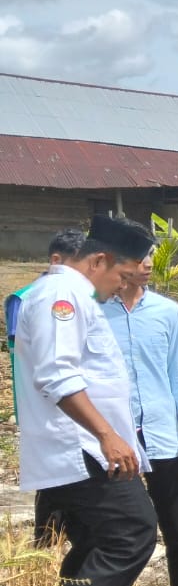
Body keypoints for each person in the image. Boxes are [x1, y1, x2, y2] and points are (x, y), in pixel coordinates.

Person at [13, 215, 158, 586]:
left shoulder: (59, 293)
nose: (120, 286)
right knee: (132, 534)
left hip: (82, 448)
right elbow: (57, 377)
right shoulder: (66, 295)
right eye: (120, 276)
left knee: (92, 543)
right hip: (82, 449)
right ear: (99, 260)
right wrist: (107, 437)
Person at [104, 255, 178, 586]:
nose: (148, 263)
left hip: (162, 433)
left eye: (151, 255)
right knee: (119, 527)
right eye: (139, 257)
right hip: (116, 439)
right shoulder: (94, 312)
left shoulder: (167, 311)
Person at [7, 227, 86, 546]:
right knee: (53, 486)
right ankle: (45, 549)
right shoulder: (29, 298)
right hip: (48, 407)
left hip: (75, 409)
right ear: (57, 260)